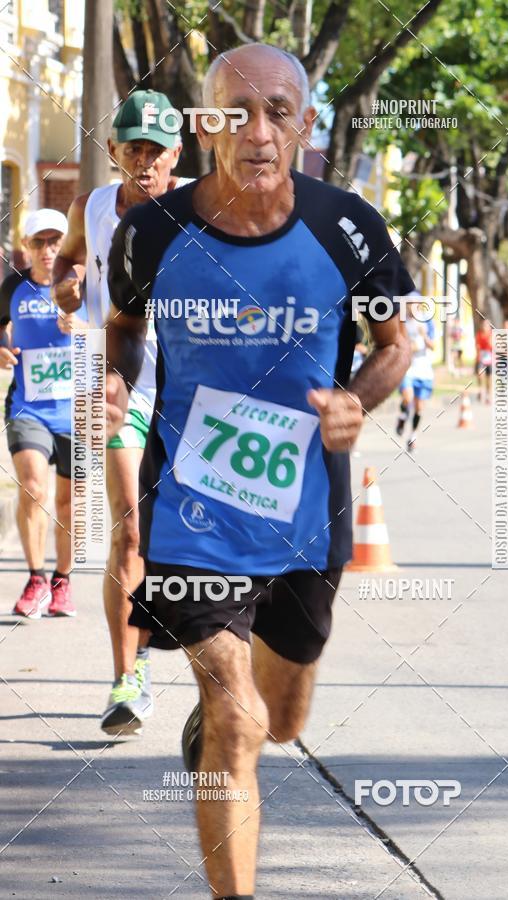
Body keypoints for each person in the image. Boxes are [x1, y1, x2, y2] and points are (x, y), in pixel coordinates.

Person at [105, 43, 413, 900]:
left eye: (279, 111)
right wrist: (118, 374)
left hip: (306, 511)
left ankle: (221, 715)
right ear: (205, 125)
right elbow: (126, 326)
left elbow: (396, 348)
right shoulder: (150, 233)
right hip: (192, 509)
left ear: (306, 125)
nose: (258, 130)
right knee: (238, 722)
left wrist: (358, 398)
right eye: (235, 112)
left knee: (278, 719)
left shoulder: (347, 227)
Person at [52, 90, 194, 735]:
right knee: (131, 529)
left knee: (195, 534)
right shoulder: (93, 204)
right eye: (132, 147)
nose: (143, 160)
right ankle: (127, 681)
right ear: (113, 151)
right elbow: (70, 253)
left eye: (155, 150)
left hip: (196, 384)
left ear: (176, 154)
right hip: (118, 378)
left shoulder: (206, 207)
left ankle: (216, 667)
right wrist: (65, 278)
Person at [0, 209, 85, 618]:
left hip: (77, 410)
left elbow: (119, 332)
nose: (48, 250)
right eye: (39, 242)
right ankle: (36, 579)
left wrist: (82, 330)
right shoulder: (13, 287)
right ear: (26, 247)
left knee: (69, 502)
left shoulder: (84, 286)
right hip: (27, 407)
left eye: (56, 242)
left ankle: (62, 581)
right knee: (34, 487)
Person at [395, 301, 435, 451]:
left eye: (414, 303)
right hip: (408, 367)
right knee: (407, 397)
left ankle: (412, 436)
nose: (411, 306)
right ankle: (403, 417)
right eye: (408, 303)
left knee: (419, 407)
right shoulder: (401, 321)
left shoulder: (426, 321)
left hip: (423, 369)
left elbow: (433, 346)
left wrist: (424, 336)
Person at [475, 319, 493, 403]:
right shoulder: (479, 334)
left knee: (489, 378)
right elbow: (478, 346)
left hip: (490, 358)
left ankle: (488, 395)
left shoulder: (492, 335)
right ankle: (481, 391)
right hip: (481, 358)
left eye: (486, 325)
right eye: (484, 325)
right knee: (480, 374)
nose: (485, 327)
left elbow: (493, 346)